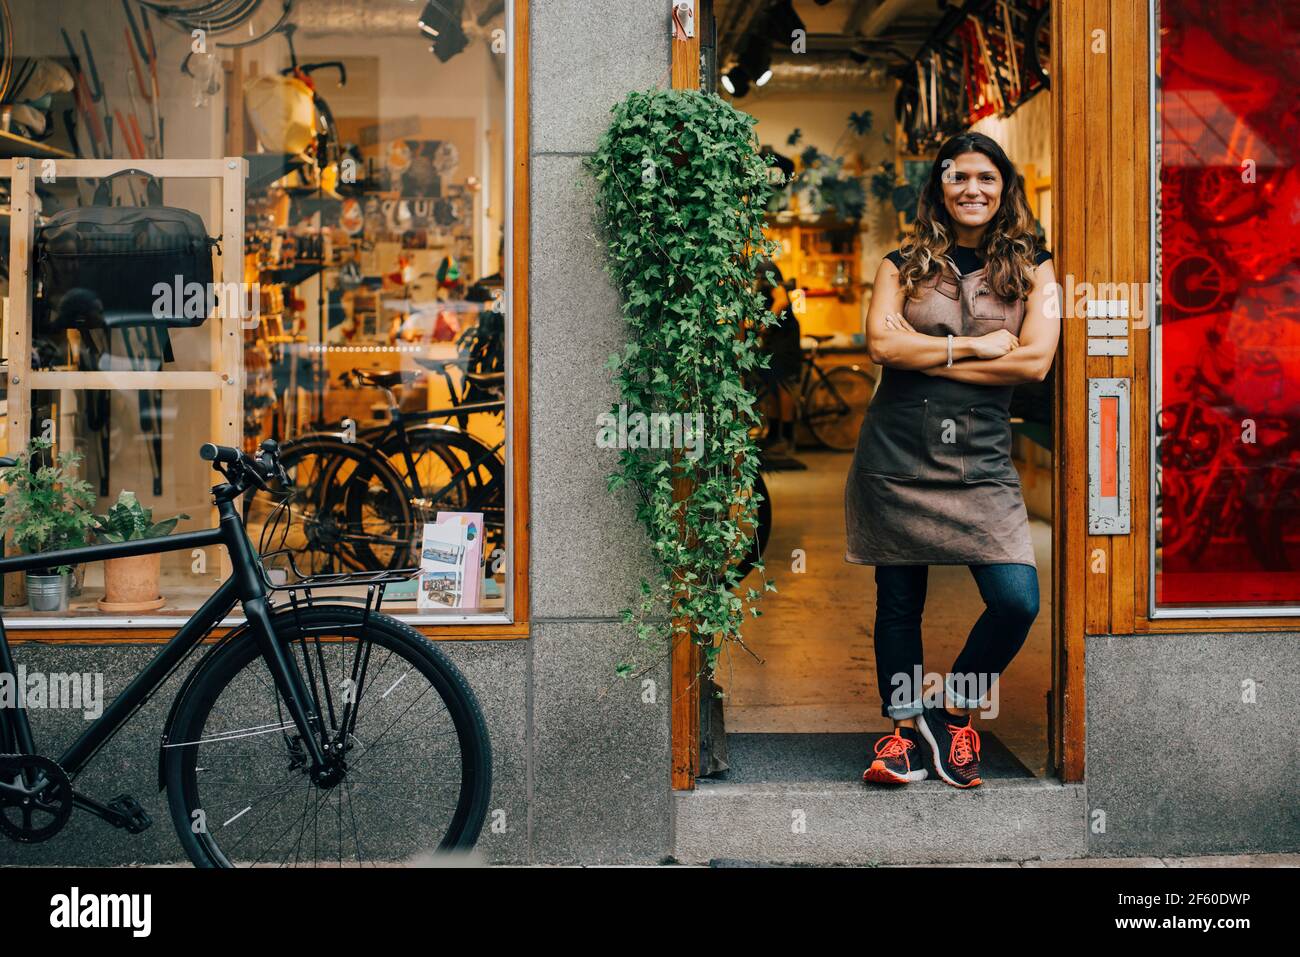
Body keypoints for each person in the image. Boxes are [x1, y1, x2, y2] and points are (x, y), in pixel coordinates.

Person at [846, 131, 1060, 789]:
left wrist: (931, 353)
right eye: (959, 176)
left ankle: (954, 709)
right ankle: (904, 735)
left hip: (982, 463)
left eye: (987, 178)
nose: (973, 188)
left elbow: (1036, 360)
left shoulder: (1035, 268)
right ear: (938, 187)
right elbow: (881, 344)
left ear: (1005, 189)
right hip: (899, 454)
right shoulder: (902, 263)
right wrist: (979, 347)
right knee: (899, 601)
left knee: (1016, 600)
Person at [753, 259, 802, 455]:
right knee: (773, 385)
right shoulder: (757, 268)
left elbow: (781, 299)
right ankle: (773, 435)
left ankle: (787, 438)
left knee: (783, 385)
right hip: (774, 337)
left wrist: (764, 324)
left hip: (784, 336)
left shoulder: (765, 268)